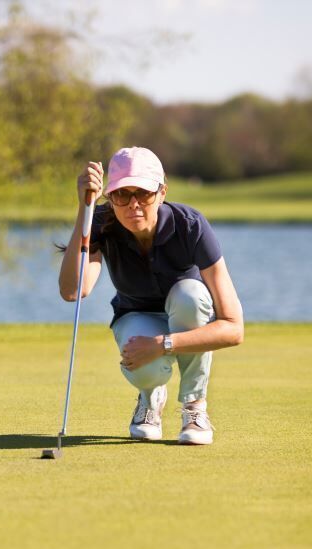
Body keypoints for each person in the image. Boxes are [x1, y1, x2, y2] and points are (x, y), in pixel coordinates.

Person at [58, 146, 244, 445]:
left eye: (143, 193)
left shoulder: (191, 226)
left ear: (162, 191)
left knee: (190, 295)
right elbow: (73, 290)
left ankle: (194, 407)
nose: (133, 205)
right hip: (135, 316)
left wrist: (163, 344)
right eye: (121, 195)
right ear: (109, 197)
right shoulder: (102, 221)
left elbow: (234, 328)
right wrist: (85, 207)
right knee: (148, 371)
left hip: (187, 315)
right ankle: (150, 397)